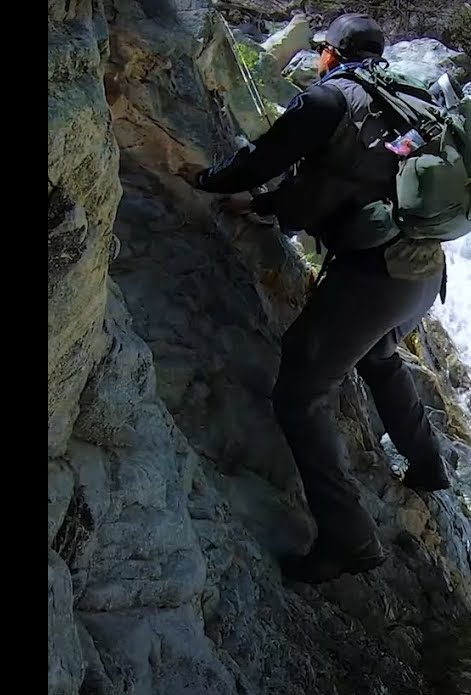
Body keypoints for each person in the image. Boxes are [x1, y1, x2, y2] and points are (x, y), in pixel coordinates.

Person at [180, 13, 452, 584]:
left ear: (330, 53)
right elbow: (347, 183)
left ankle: (349, 537)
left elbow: (261, 160)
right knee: (377, 357)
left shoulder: (329, 101)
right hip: (423, 275)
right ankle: (428, 465)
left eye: (321, 50)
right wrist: (273, 206)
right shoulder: (409, 98)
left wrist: (207, 181)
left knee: (300, 394)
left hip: (372, 279)